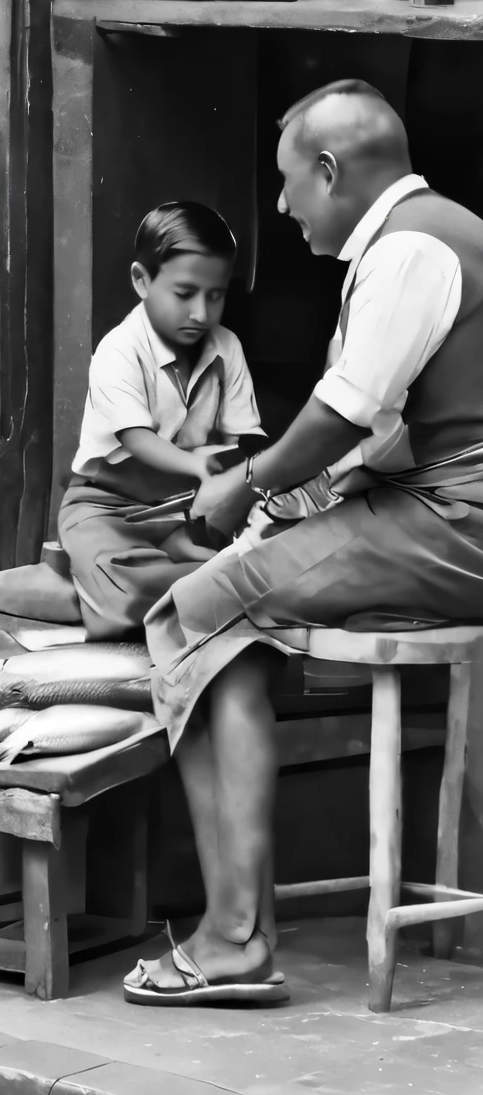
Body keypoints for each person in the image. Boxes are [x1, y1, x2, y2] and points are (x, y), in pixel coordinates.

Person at [126, 80, 483, 1008]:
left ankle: (235, 937)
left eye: (289, 184)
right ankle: (236, 926)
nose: (280, 206)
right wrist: (295, 505)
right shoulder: (451, 232)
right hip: (442, 508)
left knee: (195, 611)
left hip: (458, 526)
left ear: (329, 172)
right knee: (229, 597)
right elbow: (391, 434)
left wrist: (240, 486)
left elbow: (342, 415)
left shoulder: (407, 251)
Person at [57, 202, 263, 638]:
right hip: (108, 509)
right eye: (184, 294)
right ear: (142, 280)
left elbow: (245, 439)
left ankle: (166, 566)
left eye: (216, 295)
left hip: (186, 509)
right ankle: (88, 584)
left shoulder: (228, 347)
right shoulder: (120, 349)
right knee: (128, 588)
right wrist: (195, 464)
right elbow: (135, 438)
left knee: (268, 554)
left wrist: (247, 467)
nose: (202, 314)